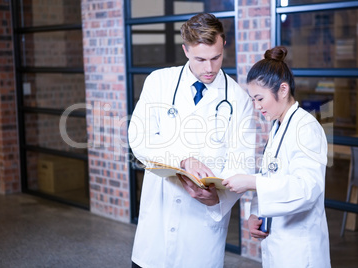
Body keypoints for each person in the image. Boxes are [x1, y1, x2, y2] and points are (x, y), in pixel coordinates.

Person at [128, 13, 256, 268]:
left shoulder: (238, 99)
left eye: (216, 58)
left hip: (202, 233)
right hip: (157, 233)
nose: (209, 68)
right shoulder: (159, 82)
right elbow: (138, 139)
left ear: (224, 46)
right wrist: (183, 160)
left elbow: (243, 163)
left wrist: (217, 200)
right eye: (200, 59)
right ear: (185, 50)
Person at [222, 46, 331, 268]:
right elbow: (269, 174)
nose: (256, 106)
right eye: (252, 99)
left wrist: (250, 181)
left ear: (283, 89)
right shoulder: (278, 126)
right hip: (277, 242)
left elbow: (307, 188)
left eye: (260, 98)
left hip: (300, 249)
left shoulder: (306, 128)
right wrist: (255, 214)